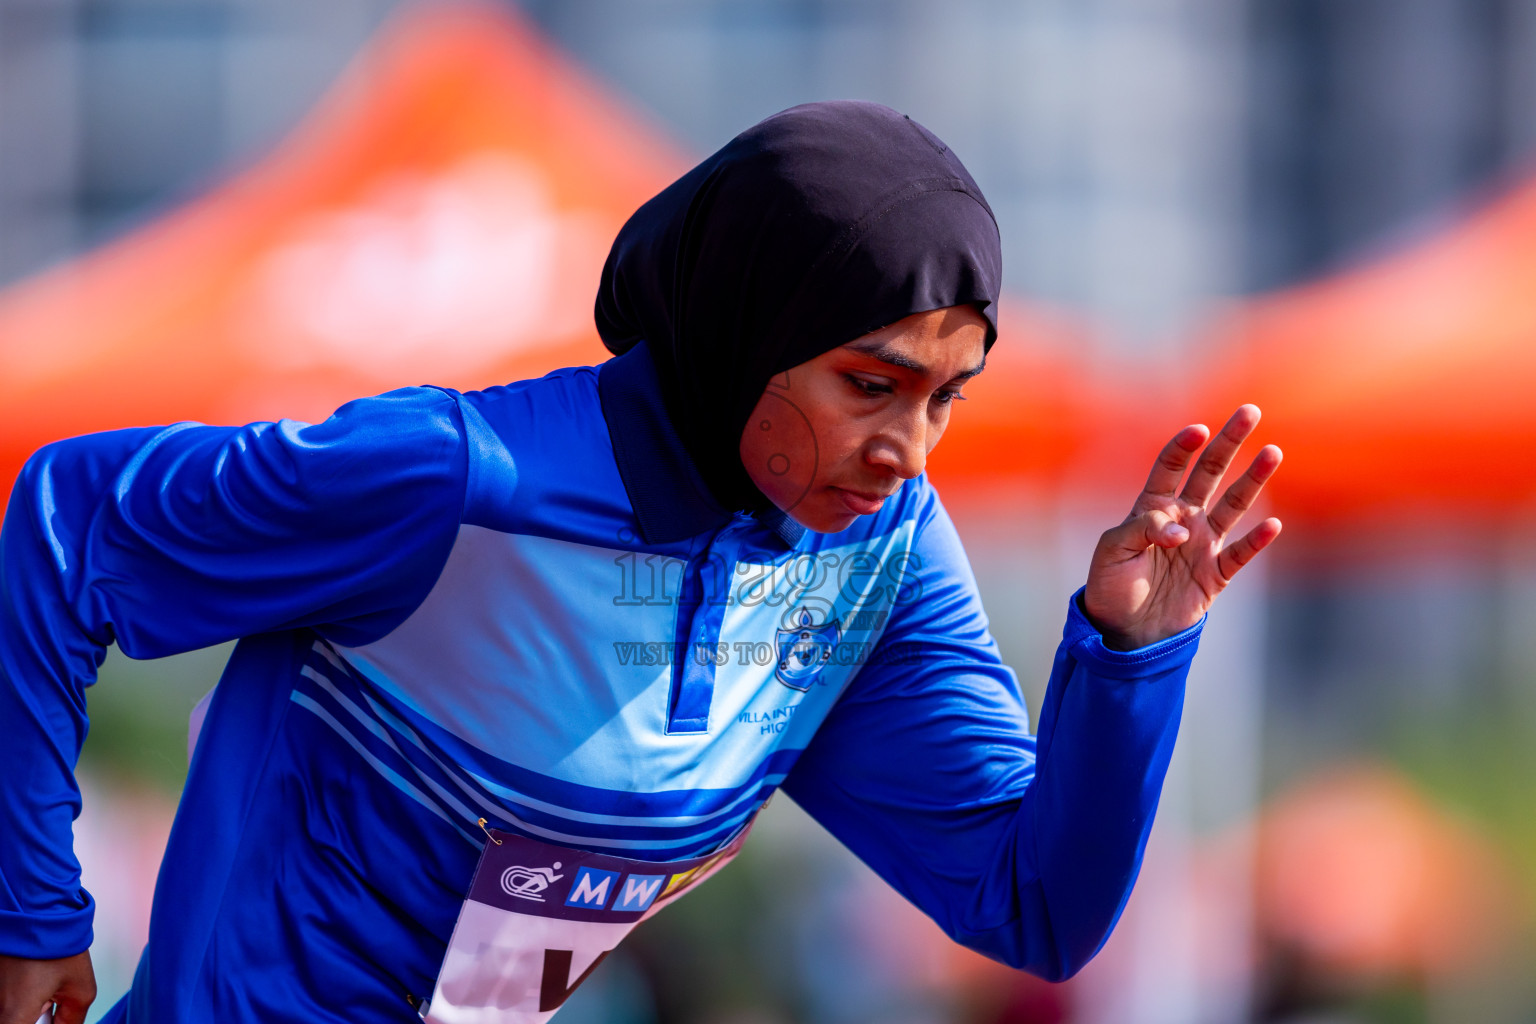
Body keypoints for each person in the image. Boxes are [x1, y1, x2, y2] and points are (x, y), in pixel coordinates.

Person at [0, 101, 1281, 1024]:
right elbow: (64, 526)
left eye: (948, 397)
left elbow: (1034, 908)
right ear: (744, 325)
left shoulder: (878, 559)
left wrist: (1131, 655)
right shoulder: (455, 480)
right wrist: (32, 910)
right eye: (870, 384)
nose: (907, 447)